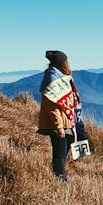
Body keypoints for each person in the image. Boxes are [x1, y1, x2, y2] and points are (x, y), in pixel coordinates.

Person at [37, 50, 80, 182]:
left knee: (63, 154)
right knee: (59, 156)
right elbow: (53, 107)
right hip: (60, 125)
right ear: (62, 63)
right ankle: (61, 182)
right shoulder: (52, 80)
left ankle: (59, 178)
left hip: (68, 122)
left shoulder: (62, 78)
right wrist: (59, 127)